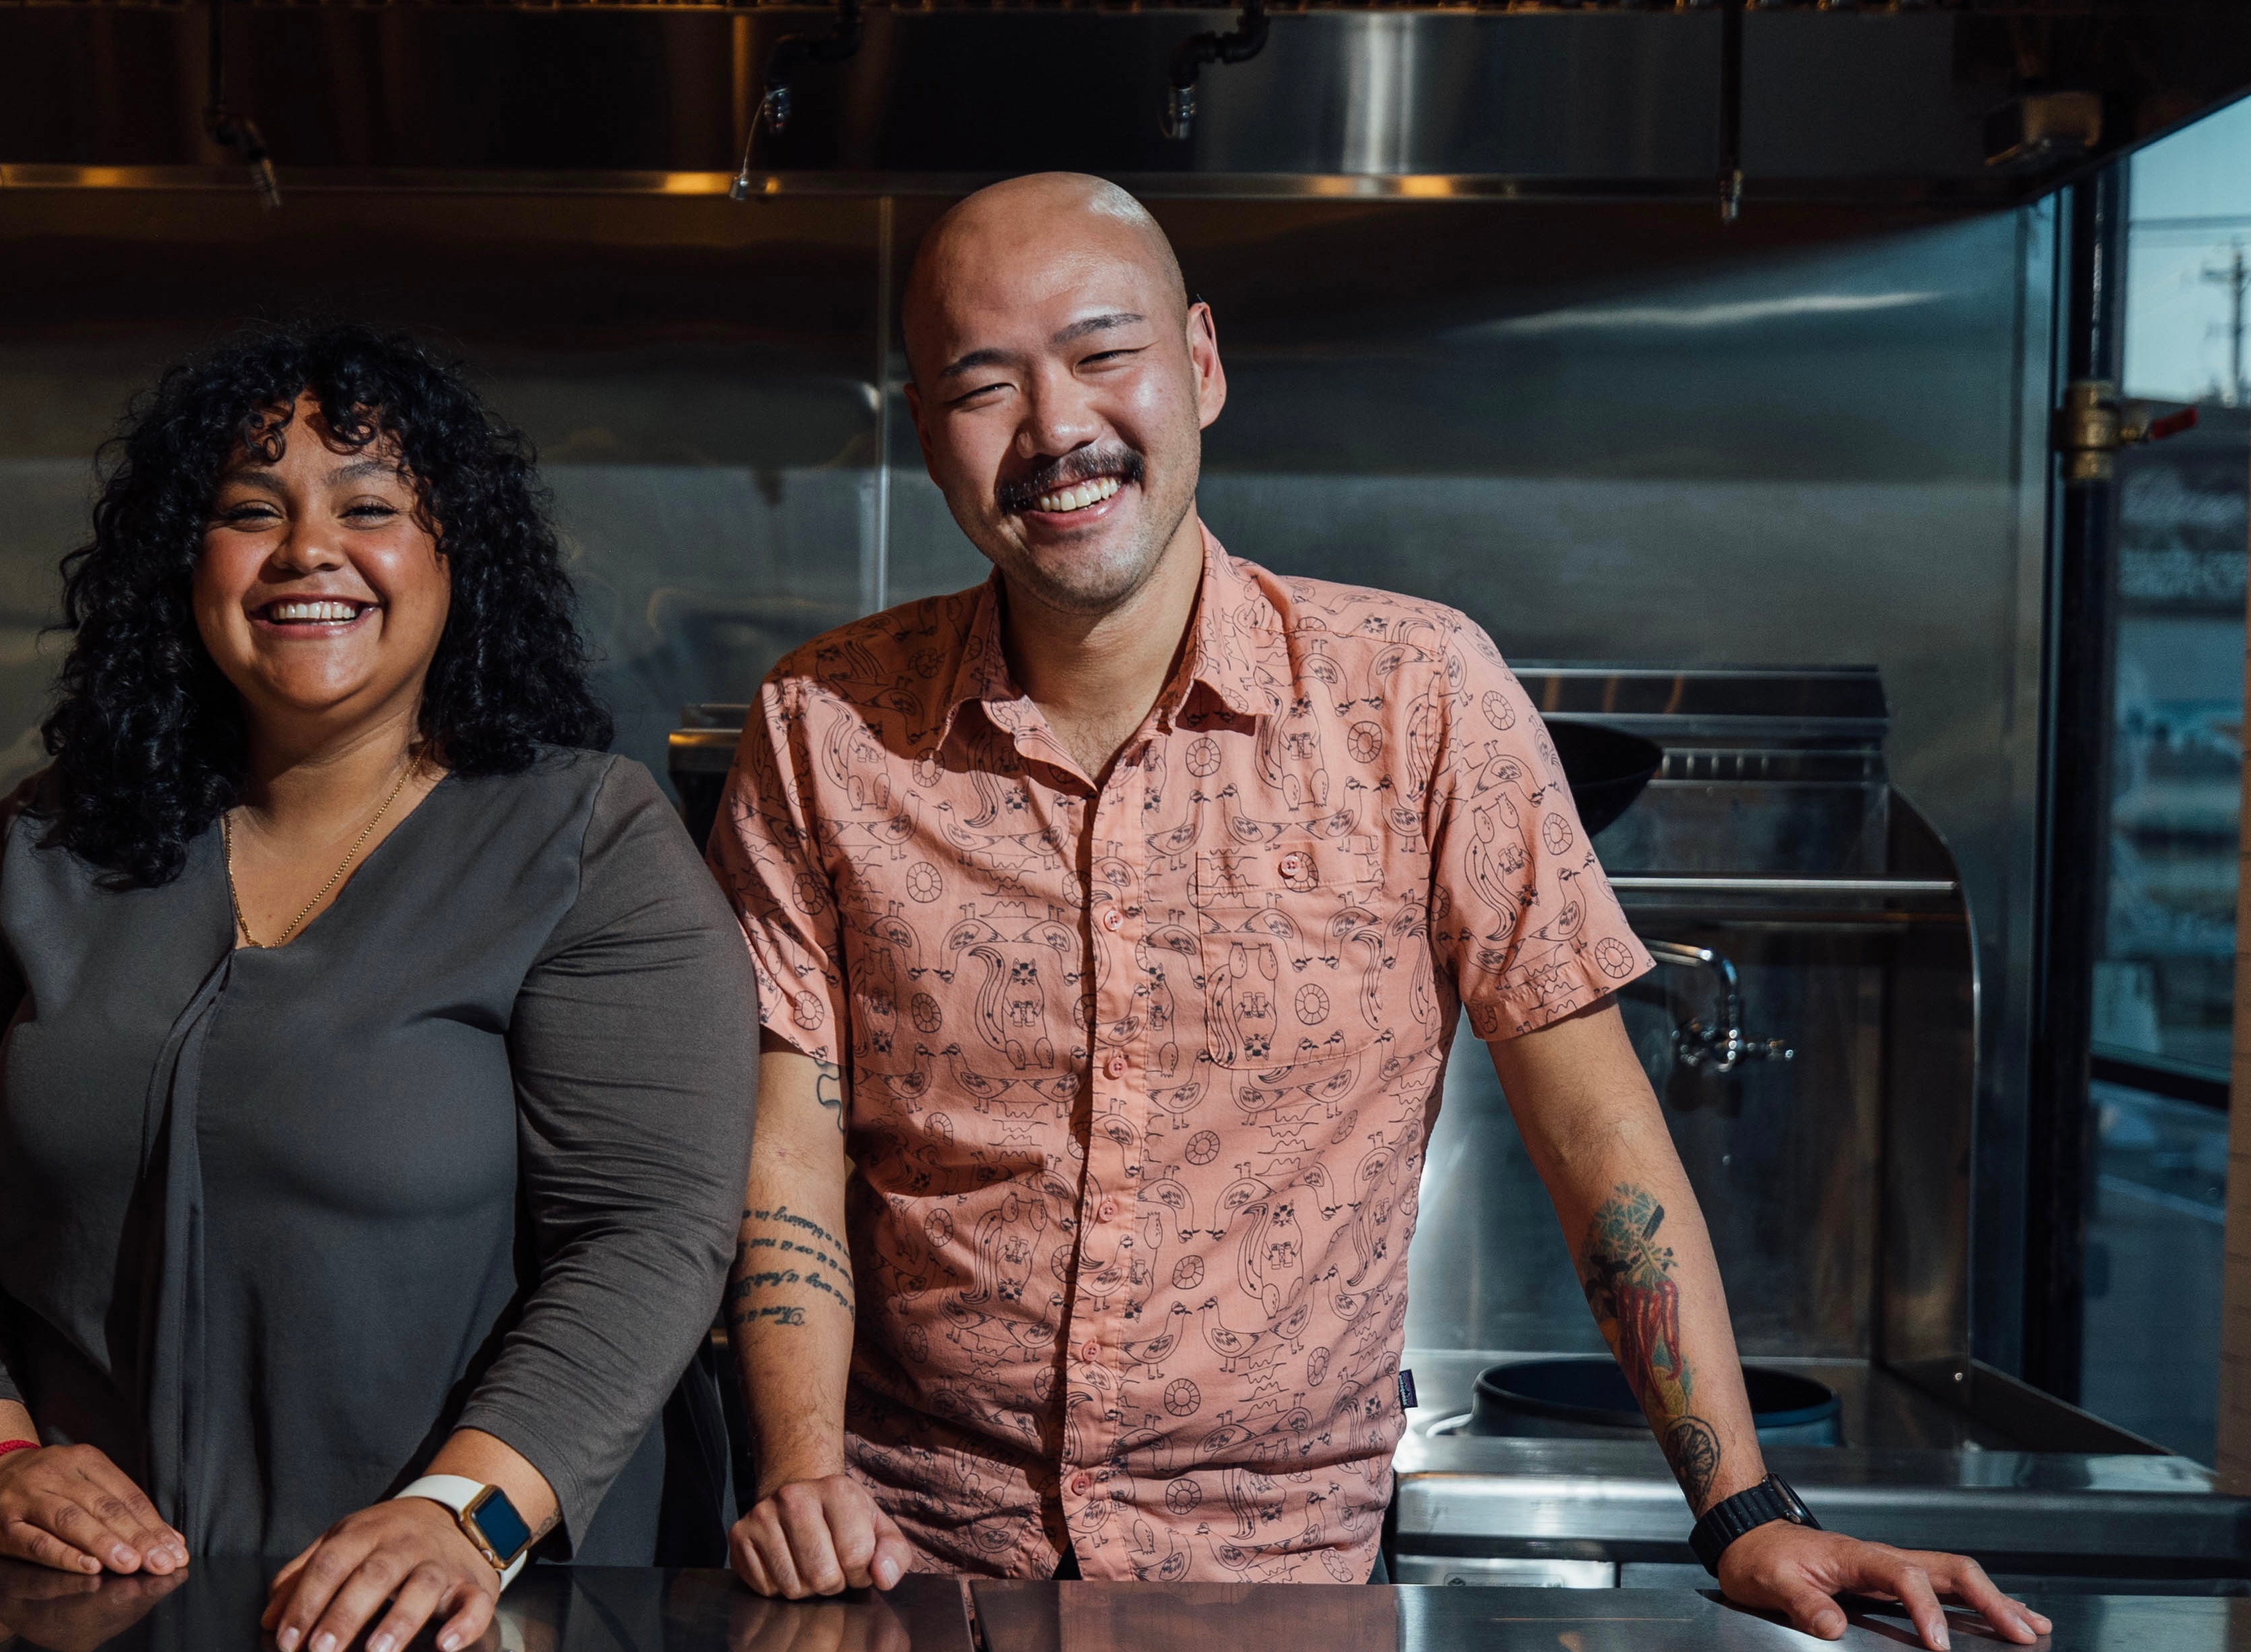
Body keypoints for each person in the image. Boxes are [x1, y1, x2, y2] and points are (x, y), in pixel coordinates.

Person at [704, 174, 2050, 1651]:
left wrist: (1740, 1510)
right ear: (924, 429)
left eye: (1102, 353)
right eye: (984, 385)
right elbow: (788, 1145)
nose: (1054, 428)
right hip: (907, 1574)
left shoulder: (1419, 699)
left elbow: (1595, 1133)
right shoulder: (822, 728)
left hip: (1283, 1587)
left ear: (1200, 363)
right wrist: (802, 1469)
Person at [0, 324, 757, 1652]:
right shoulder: (48, 843)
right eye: (249, 511)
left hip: (462, 1611)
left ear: (455, 554)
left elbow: (649, 1232)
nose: (307, 550)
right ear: (183, 560)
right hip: (92, 1612)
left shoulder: (583, 843)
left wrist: (465, 1514)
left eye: (369, 508)